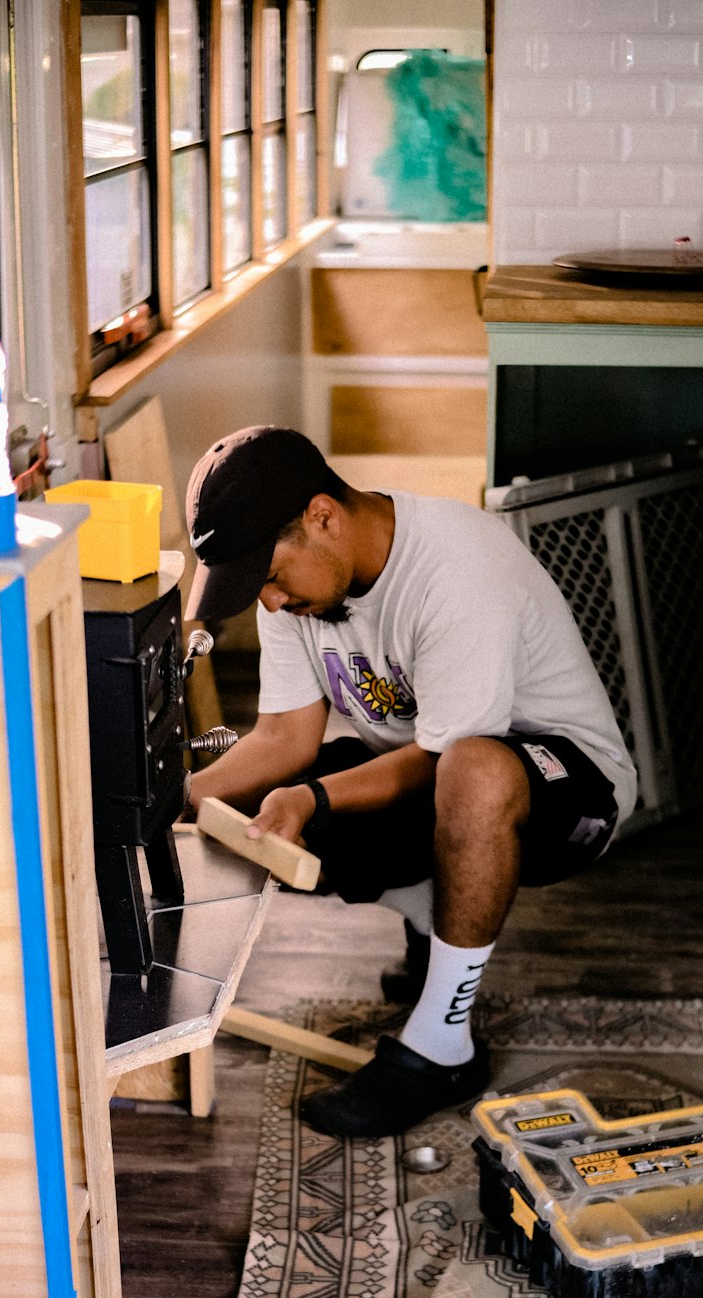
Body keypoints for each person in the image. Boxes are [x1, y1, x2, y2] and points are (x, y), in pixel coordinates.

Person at [184, 426, 637, 1139]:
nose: (267, 603)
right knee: (276, 815)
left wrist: (313, 797)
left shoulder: (456, 567)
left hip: (566, 791)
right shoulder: (300, 595)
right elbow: (283, 739)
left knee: (468, 770)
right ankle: (437, 917)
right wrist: (183, 795)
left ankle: (441, 1047)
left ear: (322, 517)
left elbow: (447, 757)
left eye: (269, 578)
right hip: (436, 781)